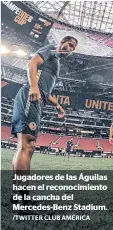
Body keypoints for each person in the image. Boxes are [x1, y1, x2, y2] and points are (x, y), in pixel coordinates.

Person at [10, 36, 78, 206]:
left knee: (24, 146)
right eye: (69, 44)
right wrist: (33, 86)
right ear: (62, 42)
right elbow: (32, 63)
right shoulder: (51, 50)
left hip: (38, 99)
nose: (70, 49)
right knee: (28, 144)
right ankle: (24, 200)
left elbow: (46, 91)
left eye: (73, 48)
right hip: (31, 97)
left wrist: (58, 105)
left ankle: (18, 195)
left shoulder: (56, 63)